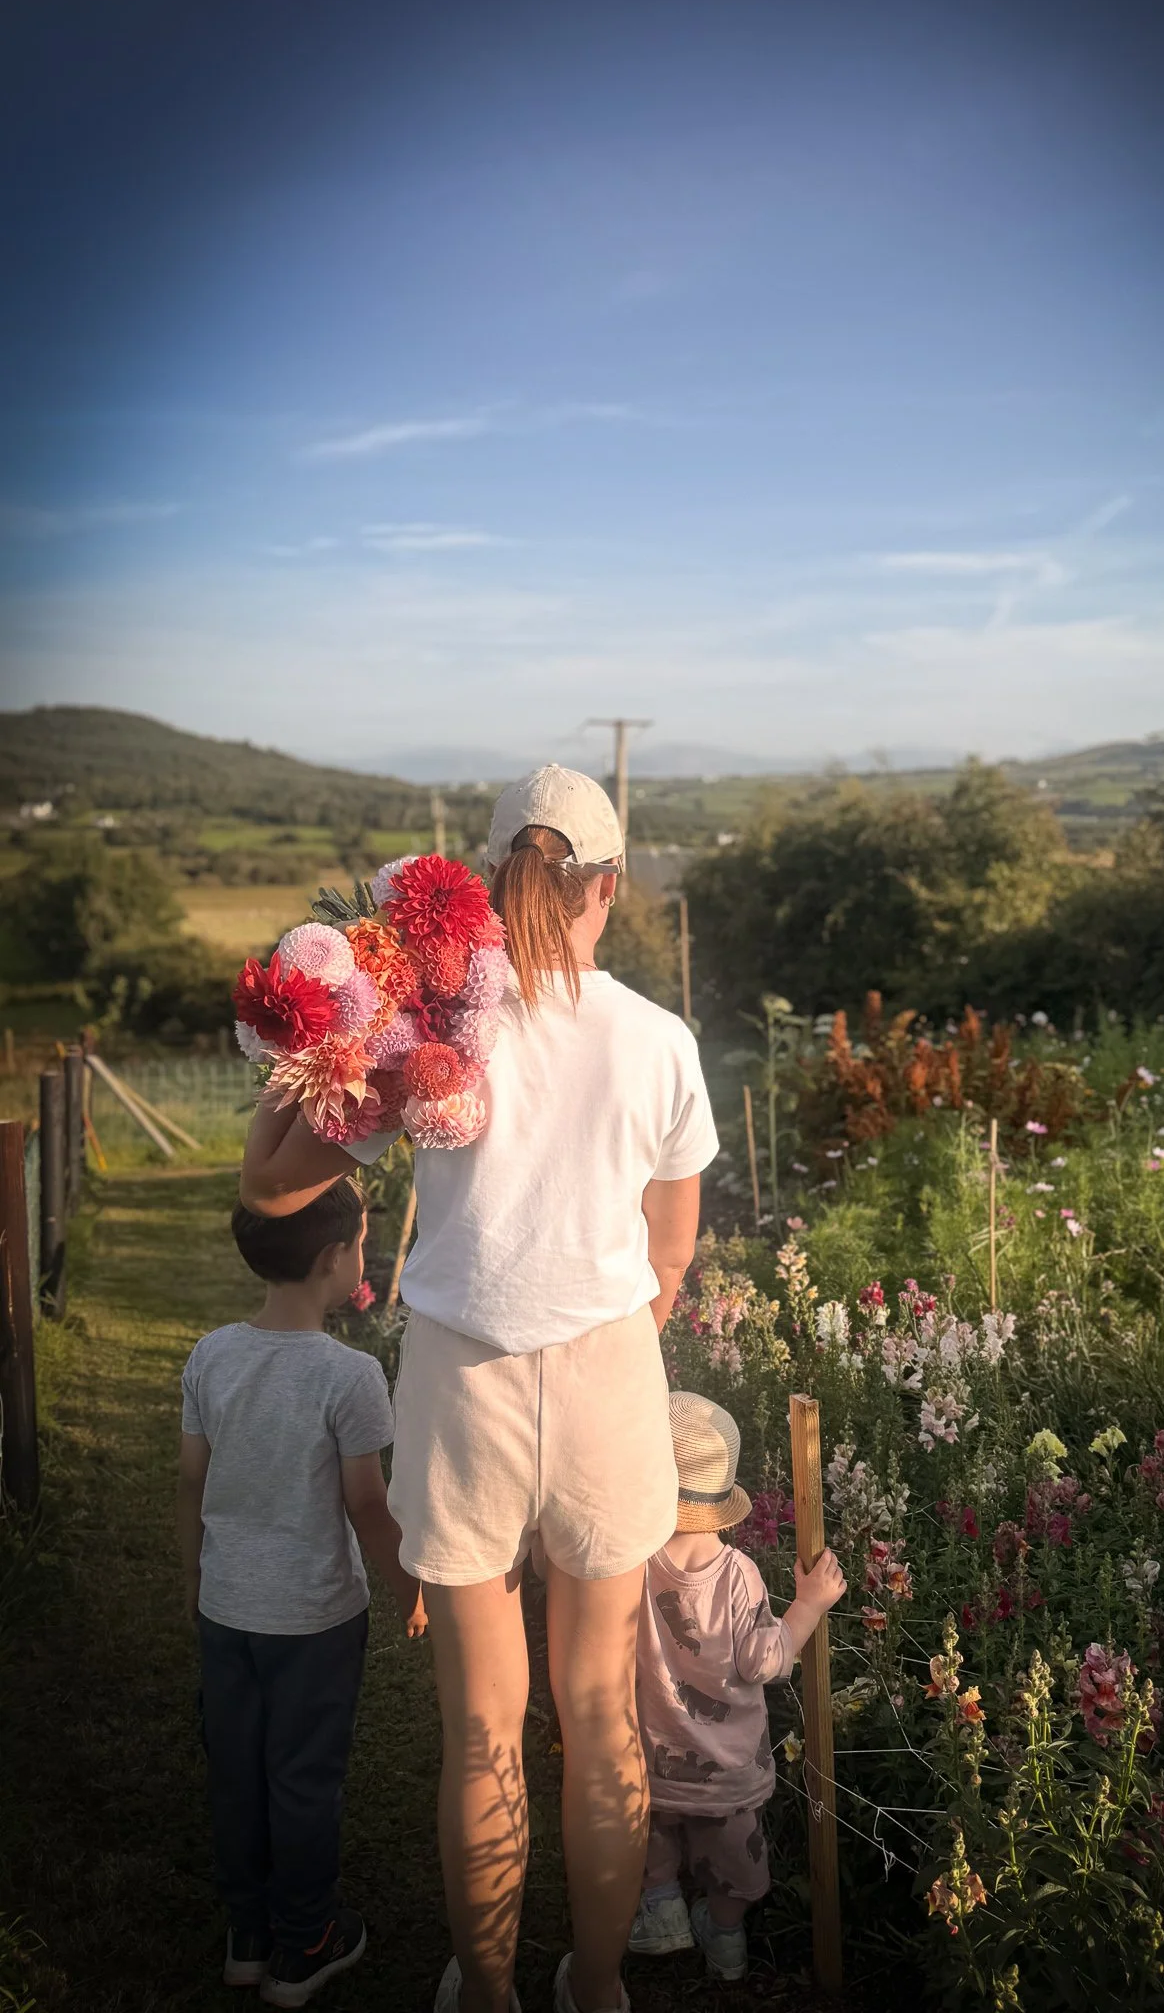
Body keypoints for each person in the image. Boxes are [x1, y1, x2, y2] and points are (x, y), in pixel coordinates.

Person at [237, 764, 720, 2013]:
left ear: (486, 891)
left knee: (481, 1732)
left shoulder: (435, 1036)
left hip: (461, 1381)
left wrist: (306, 1044)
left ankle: (490, 1992)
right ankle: (599, 1986)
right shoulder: (662, 1042)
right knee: (605, 1720)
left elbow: (274, 1192)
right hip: (611, 1370)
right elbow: (670, 1250)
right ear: (607, 886)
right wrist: (612, 1334)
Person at [177, 1177, 426, 2008]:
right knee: (303, 1777)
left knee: (237, 1772)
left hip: (227, 1609)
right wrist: (408, 1592)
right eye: (359, 1241)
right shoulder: (348, 1376)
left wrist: (196, 1581)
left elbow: (191, 1481)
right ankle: (306, 1940)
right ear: (334, 1259)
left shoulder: (212, 1354)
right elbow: (366, 1504)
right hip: (314, 1621)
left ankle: (247, 1936)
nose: (363, 1253)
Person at [627, 1391, 845, 1981]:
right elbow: (764, 1661)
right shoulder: (737, 1575)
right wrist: (807, 1605)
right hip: (727, 1772)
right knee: (733, 1869)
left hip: (652, 1761)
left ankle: (663, 1910)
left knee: (653, 1848)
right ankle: (725, 1945)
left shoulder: (635, 1564)